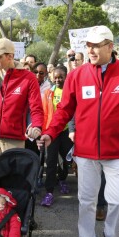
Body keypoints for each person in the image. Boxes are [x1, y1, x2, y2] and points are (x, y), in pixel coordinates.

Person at [37, 25, 119, 237]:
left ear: (110, 47)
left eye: (97, 46)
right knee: (86, 202)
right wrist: (50, 133)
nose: (91, 50)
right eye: (89, 46)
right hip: (85, 151)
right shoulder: (77, 75)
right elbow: (64, 109)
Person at [41, 66, 73, 207]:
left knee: (68, 159)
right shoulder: (48, 93)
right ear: (52, 77)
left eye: (61, 76)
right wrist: (44, 131)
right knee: (51, 161)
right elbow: (44, 113)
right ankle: (49, 192)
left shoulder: (71, 92)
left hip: (66, 131)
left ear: (66, 76)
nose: (58, 79)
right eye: (56, 77)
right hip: (52, 132)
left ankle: (63, 179)